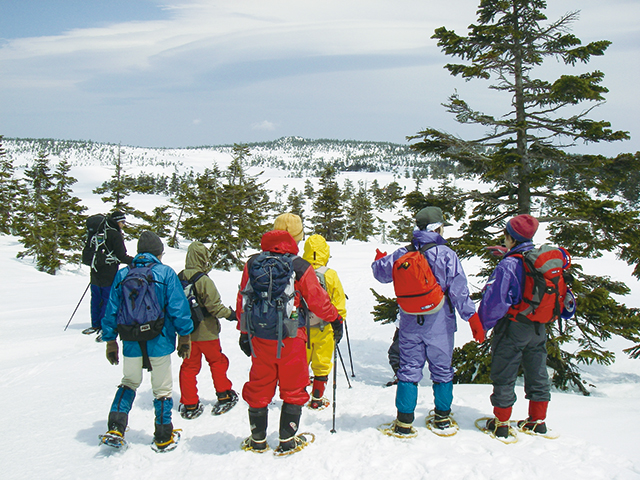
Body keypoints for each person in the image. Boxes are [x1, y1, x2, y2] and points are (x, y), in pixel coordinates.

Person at [236, 213, 342, 454]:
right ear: (297, 236)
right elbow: (317, 300)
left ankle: (258, 440)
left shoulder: (253, 263)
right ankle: (287, 441)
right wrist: (335, 318)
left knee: (260, 385)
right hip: (292, 335)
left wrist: (244, 331)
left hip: (260, 336)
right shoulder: (299, 265)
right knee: (294, 387)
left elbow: (243, 298)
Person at [371, 206, 476, 436]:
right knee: (442, 369)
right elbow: (459, 290)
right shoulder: (447, 254)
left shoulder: (403, 252)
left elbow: (380, 274)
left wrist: (380, 260)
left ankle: (404, 422)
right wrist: (472, 317)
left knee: (408, 369)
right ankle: (442, 418)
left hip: (410, 322)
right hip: (440, 322)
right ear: (437, 228)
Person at [101, 231, 193, 451]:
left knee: (129, 382)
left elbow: (111, 310)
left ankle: (116, 426)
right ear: (159, 253)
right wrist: (185, 336)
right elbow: (178, 308)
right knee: (162, 389)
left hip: (130, 339)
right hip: (159, 338)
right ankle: (163, 435)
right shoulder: (165, 273)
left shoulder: (123, 274)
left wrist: (110, 340)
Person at [469, 214, 554, 438]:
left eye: (505, 235)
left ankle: (502, 422)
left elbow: (495, 301)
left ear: (511, 237)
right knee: (537, 371)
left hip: (513, 326)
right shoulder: (538, 258)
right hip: (538, 326)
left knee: (505, 372)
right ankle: (538, 420)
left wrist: (482, 325)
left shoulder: (508, 265)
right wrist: (508, 254)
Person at [178, 241, 238, 419]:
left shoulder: (178, 277)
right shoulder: (203, 280)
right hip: (207, 332)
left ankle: (190, 403)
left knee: (189, 367)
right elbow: (214, 307)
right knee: (217, 362)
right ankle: (224, 394)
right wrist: (231, 314)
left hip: (186, 333)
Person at [301, 234, 347, 409]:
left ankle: (298, 396)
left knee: (301, 363)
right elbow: (338, 301)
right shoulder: (330, 274)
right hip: (325, 326)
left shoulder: (299, 271)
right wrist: (339, 320)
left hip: (302, 328)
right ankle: (317, 399)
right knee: (322, 363)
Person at [83, 211, 133, 342]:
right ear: (117, 221)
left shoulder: (98, 232)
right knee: (107, 299)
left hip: (95, 270)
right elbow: (121, 256)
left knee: (95, 298)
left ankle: (95, 324)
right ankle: (105, 327)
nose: (123, 225)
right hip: (109, 272)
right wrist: (136, 261)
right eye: (123, 222)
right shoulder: (114, 234)